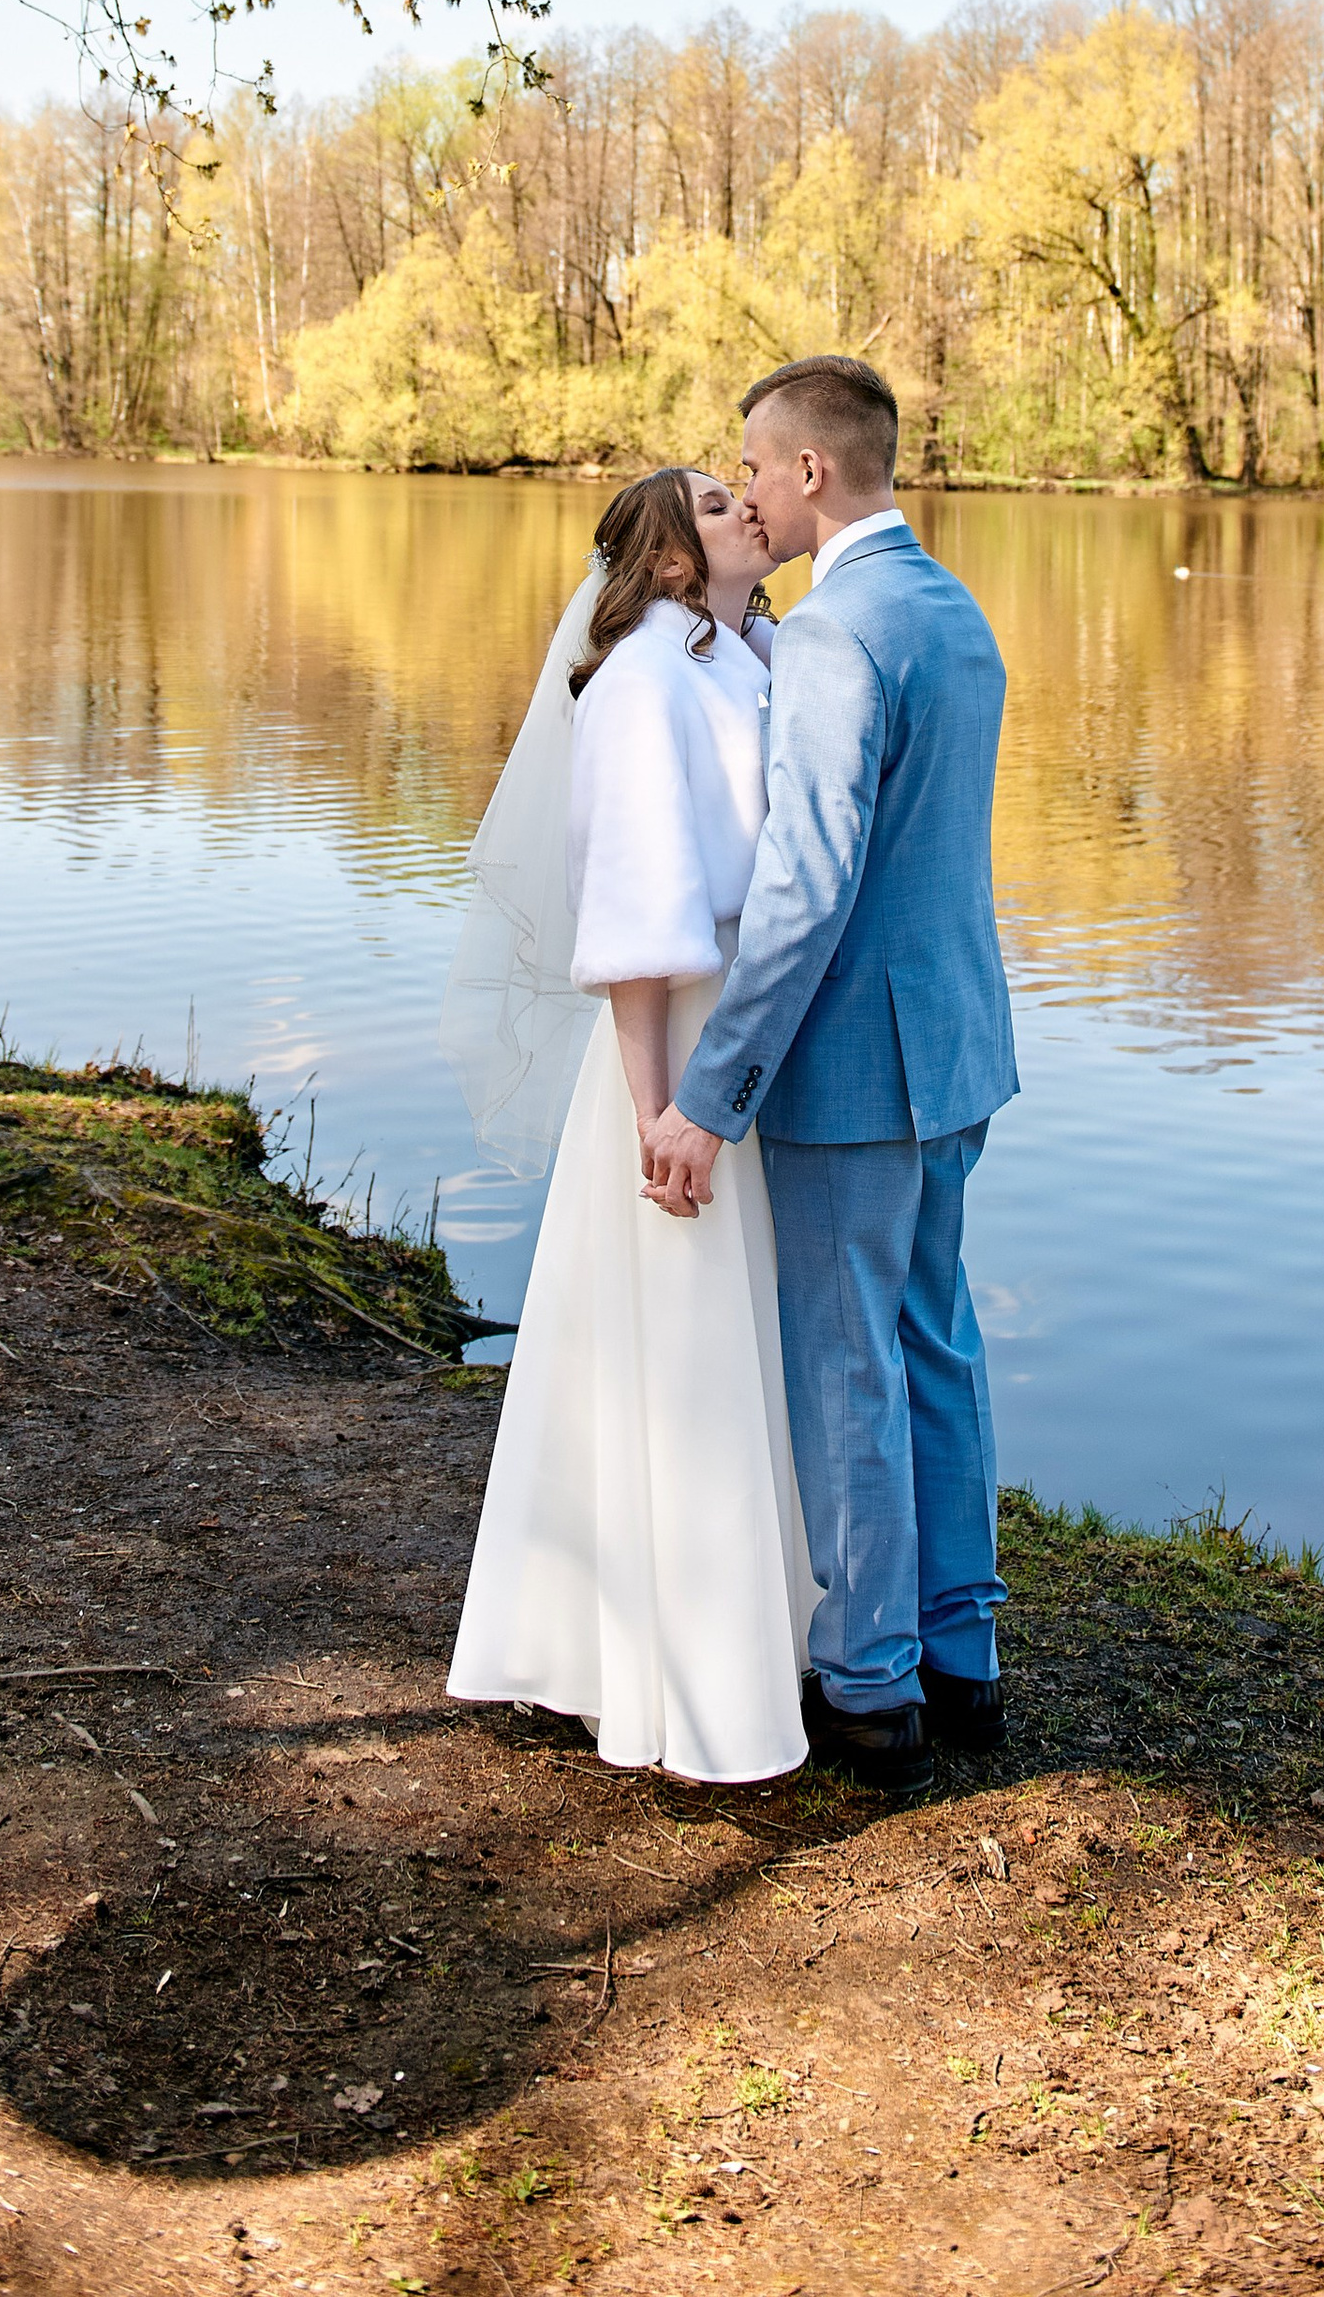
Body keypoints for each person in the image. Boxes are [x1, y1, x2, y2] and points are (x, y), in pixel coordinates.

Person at [641, 356, 1019, 1802]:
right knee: (937, 1336)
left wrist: (710, 1094)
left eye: (754, 461)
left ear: (811, 471)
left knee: (848, 1359)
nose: (740, 487)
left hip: (858, 1070)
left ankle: (867, 1684)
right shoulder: (953, 609)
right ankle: (958, 1646)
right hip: (961, 1049)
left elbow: (803, 892)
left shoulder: (833, 638)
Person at [444, 467, 816, 1782]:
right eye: (718, 505)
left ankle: (731, 1642)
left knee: (724, 1339)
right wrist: (656, 1107)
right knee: (678, 1339)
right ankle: (668, 1678)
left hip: (741, 1043)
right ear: (668, 563)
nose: (749, 507)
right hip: (682, 1057)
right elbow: (638, 920)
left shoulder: (745, 656)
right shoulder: (648, 681)